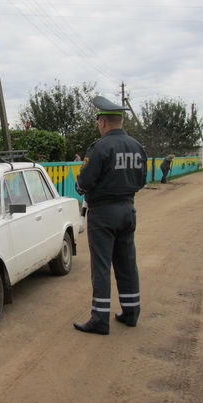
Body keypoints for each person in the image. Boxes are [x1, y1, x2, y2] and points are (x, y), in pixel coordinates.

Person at [73, 96, 148, 335]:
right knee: (127, 263)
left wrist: (80, 186)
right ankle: (131, 312)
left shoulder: (100, 147)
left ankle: (100, 319)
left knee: (102, 266)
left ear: (103, 122)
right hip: (128, 209)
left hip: (103, 214)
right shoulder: (137, 146)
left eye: (98, 122)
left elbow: (85, 182)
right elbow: (142, 180)